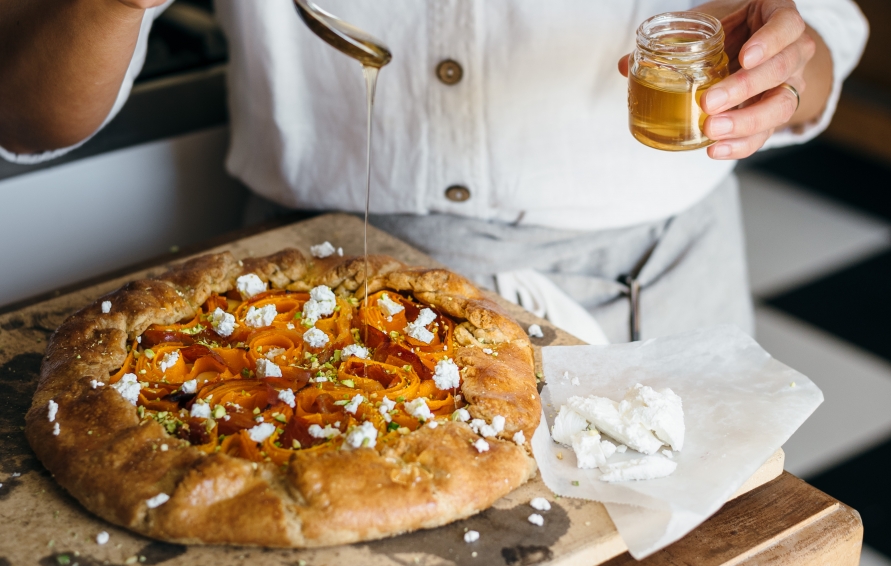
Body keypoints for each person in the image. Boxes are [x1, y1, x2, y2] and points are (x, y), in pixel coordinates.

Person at [0, 0, 868, 343]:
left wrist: (786, 63)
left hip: (648, 298)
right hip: (304, 295)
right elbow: (25, 112)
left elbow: (821, 28)